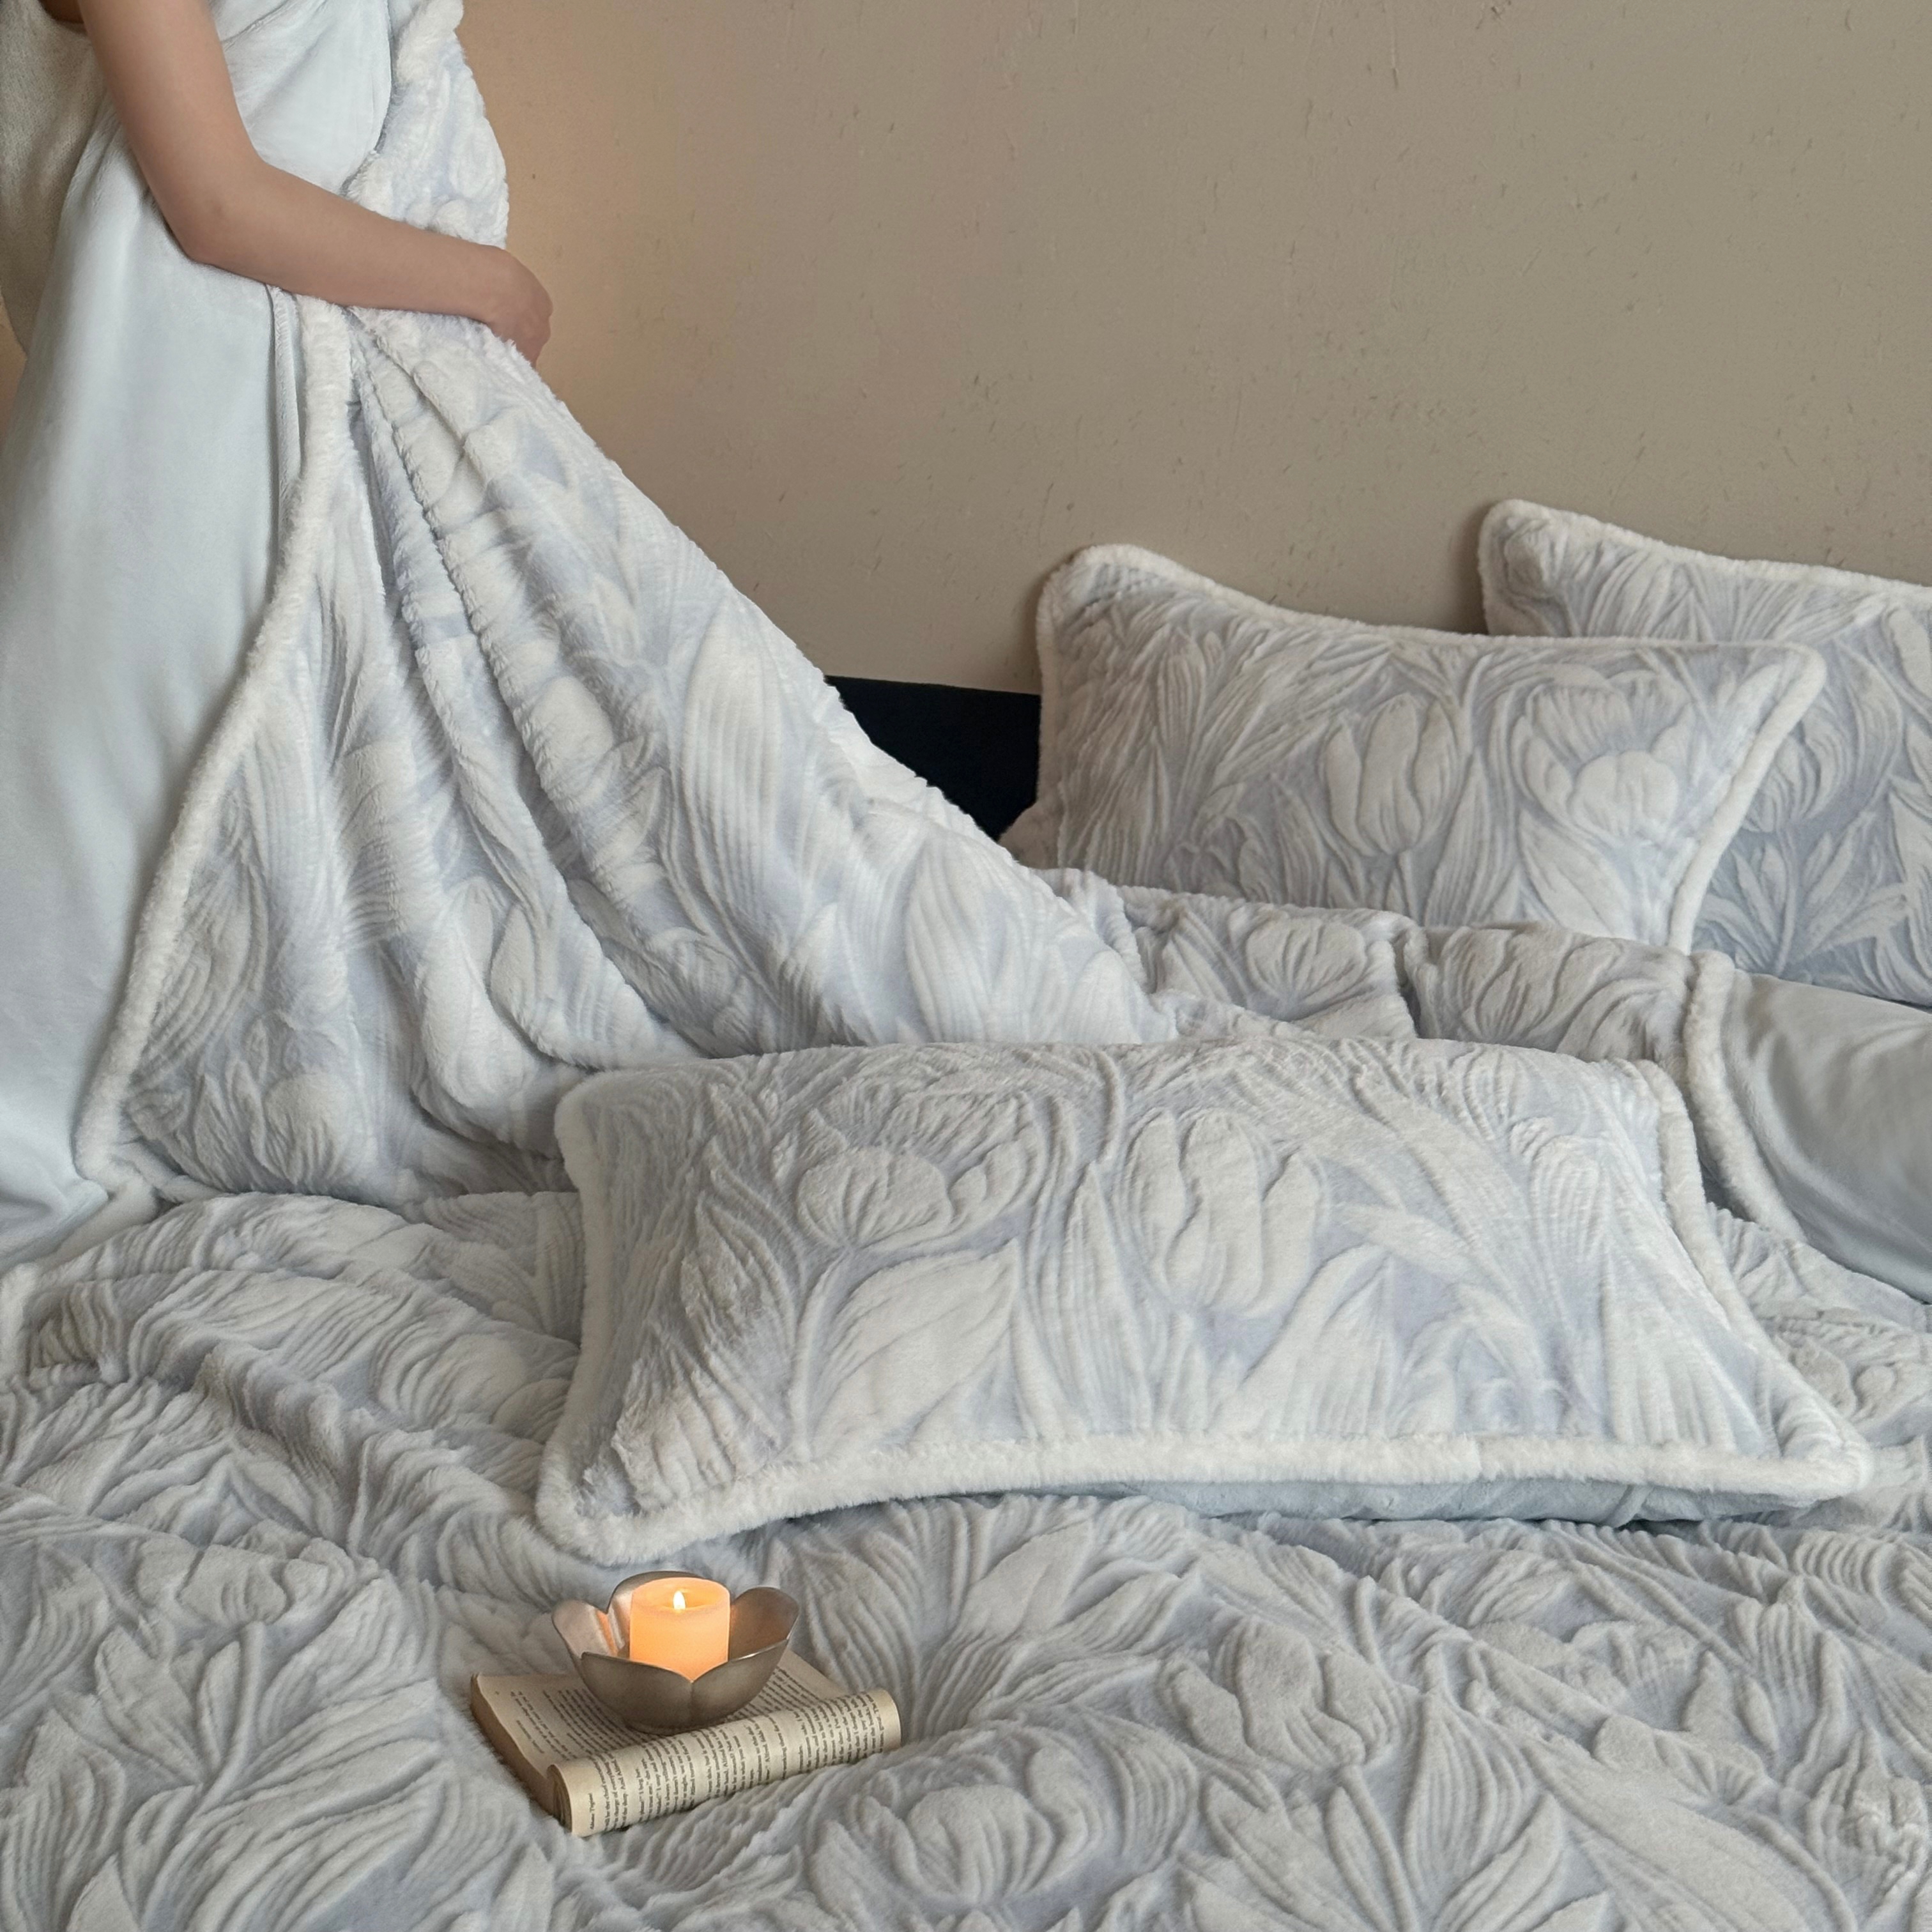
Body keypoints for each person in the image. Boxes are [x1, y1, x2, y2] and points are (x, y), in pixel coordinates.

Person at [0, 0, 548, 1260]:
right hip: (190, 392)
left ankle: (243, 1108)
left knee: (258, 813)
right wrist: (493, 287)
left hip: (276, 383)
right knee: (101, 817)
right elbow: (215, 200)